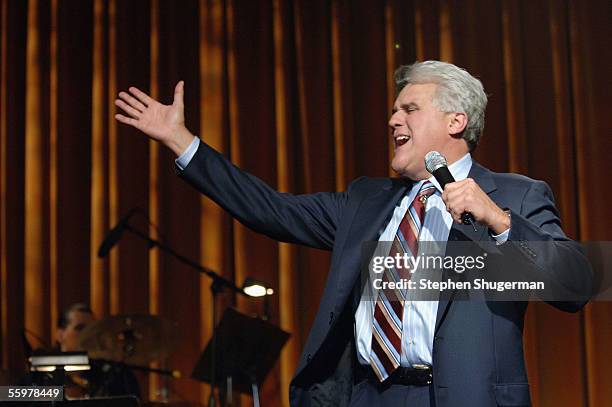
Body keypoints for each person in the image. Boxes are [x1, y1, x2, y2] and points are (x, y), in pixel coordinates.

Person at [115, 60, 592, 407]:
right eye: (393, 111)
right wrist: (182, 142)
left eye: (409, 108)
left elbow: (576, 285)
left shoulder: (515, 195)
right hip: (367, 395)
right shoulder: (367, 201)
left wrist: (499, 221)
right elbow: (270, 210)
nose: (392, 121)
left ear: (455, 121)